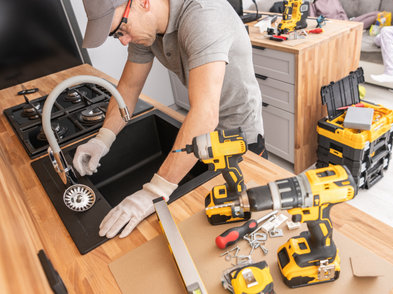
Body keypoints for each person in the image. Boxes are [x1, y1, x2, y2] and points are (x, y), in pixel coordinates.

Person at [76, 0, 267, 239]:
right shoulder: (148, 31)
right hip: (203, 133)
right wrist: (102, 140)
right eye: (117, 36)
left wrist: (154, 191)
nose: (124, 40)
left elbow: (205, 114)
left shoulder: (202, 15)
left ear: (143, 3)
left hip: (239, 135)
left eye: (121, 30)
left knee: (251, 220)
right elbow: (128, 88)